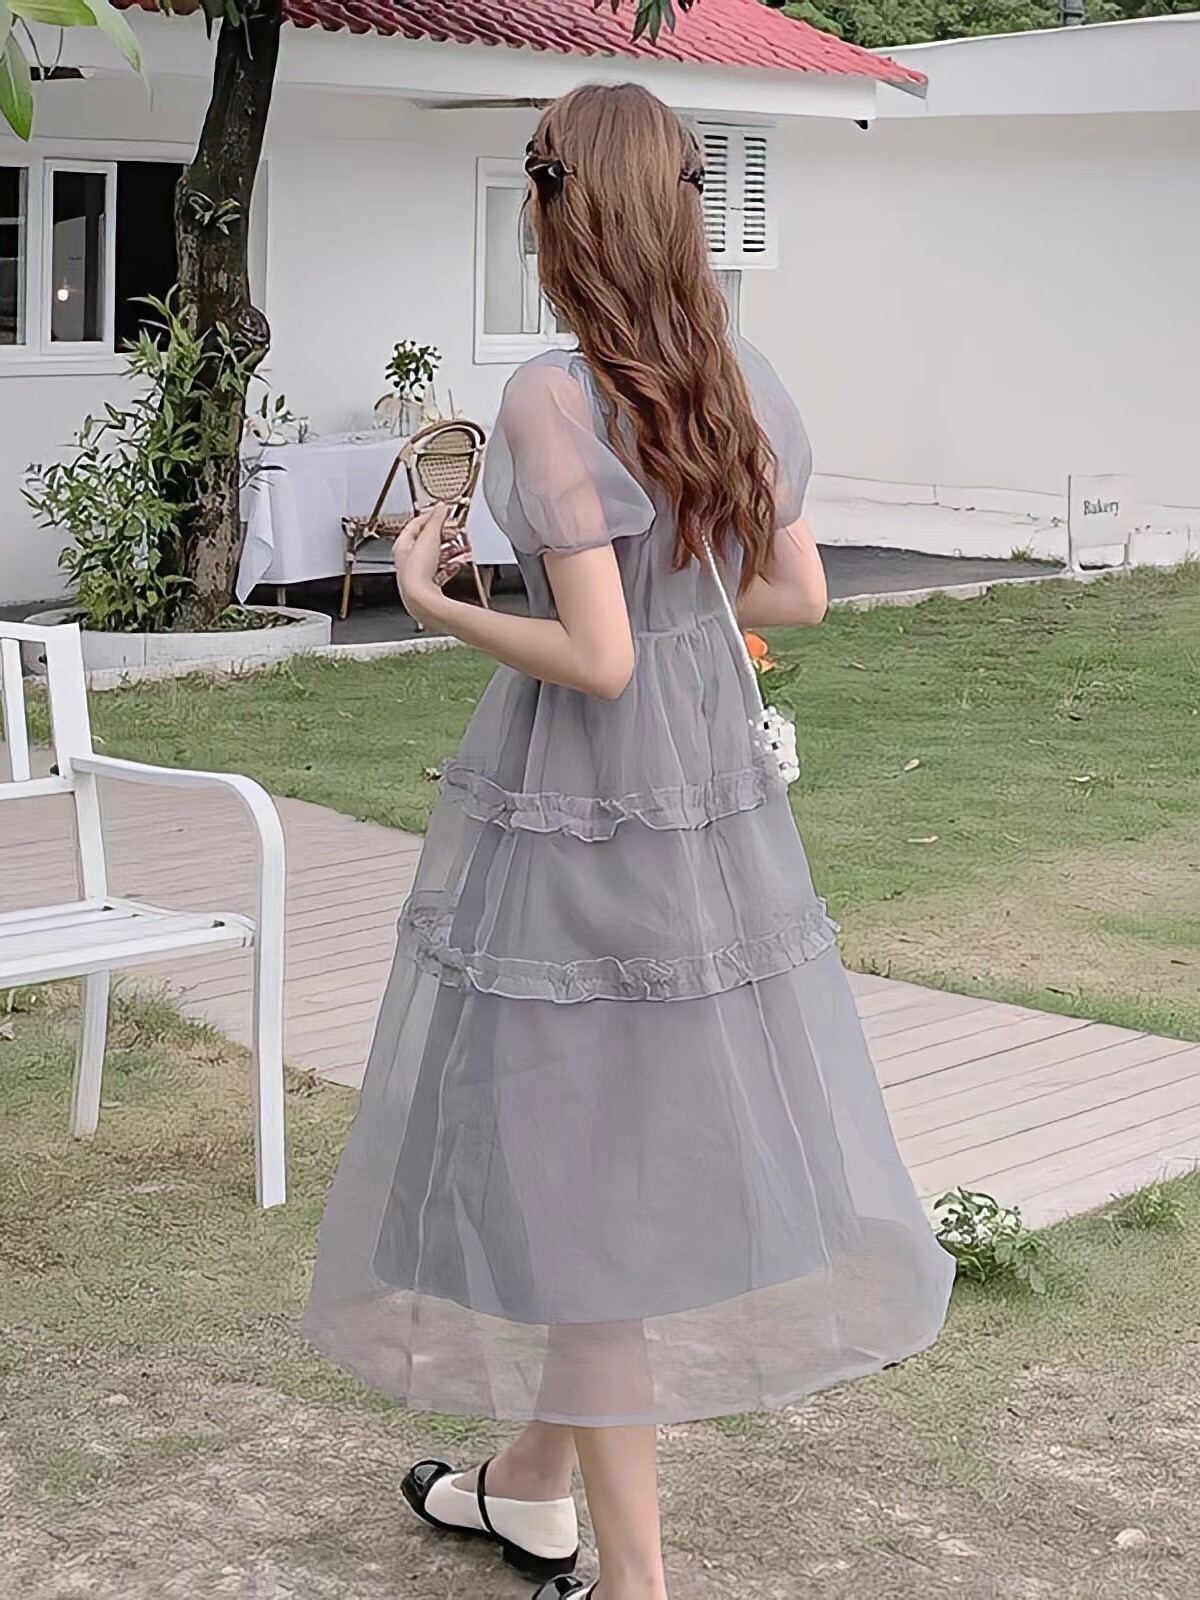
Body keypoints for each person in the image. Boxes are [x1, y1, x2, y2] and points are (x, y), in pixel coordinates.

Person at [305, 82, 954, 1600]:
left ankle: (640, 1585)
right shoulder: (731, 373)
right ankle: (531, 1488)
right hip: (705, 806)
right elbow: (794, 595)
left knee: (582, 1184)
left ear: (556, 213)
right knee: (620, 1149)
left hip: (585, 811)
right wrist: (669, 604)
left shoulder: (551, 393)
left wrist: (438, 601)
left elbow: (594, 658)